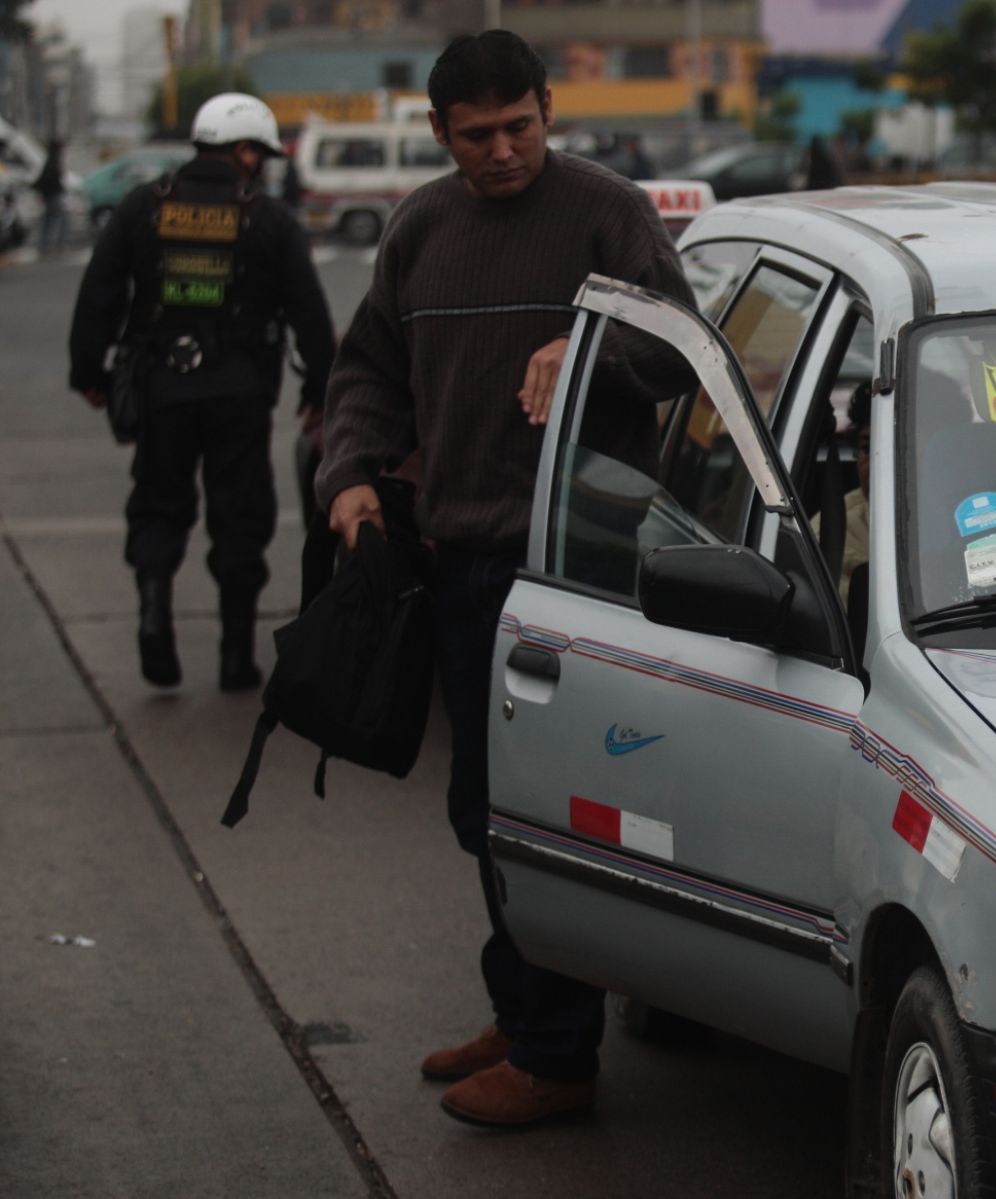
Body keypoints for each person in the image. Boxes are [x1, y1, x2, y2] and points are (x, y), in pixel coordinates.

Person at [314, 30, 695, 1128]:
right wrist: (351, 472)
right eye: (476, 135)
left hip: (580, 571)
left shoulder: (605, 212)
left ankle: (556, 1054)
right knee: (483, 809)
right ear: (440, 134)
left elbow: (680, 351)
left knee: (546, 812)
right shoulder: (421, 229)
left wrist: (589, 347)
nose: (502, 151)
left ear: (548, 111)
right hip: (463, 564)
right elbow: (368, 369)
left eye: (519, 126)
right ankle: (522, 1002)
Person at [68, 93, 335, 690]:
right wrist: (320, 386)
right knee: (240, 517)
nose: (261, 165)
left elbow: (99, 294)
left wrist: (90, 373)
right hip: (240, 396)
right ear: (242, 151)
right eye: (259, 154)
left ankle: (154, 613)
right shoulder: (267, 219)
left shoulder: (143, 207)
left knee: (159, 504)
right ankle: (235, 658)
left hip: (161, 388)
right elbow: (310, 315)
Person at [810, 382, 871, 605]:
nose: (878, 463)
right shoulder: (830, 535)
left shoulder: (974, 513)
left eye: (900, 448)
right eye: (867, 448)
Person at [32, 138, 67, 257]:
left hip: (51, 195)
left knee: (49, 221)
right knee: (57, 220)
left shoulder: (51, 161)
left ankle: (45, 245)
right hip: (53, 196)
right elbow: (50, 180)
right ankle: (54, 245)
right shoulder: (53, 162)